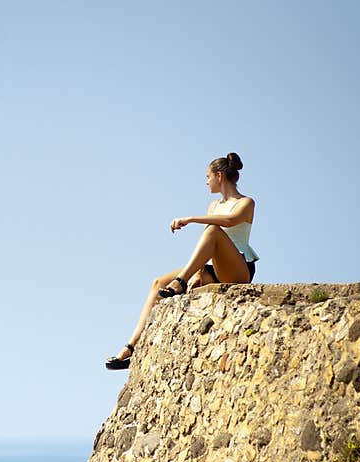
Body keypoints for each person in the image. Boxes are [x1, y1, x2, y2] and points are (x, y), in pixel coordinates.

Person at [105, 152, 259, 370]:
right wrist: (197, 272)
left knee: (214, 230)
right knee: (158, 283)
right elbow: (208, 245)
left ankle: (181, 281)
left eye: (208, 177)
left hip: (239, 269)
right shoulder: (213, 206)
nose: (206, 182)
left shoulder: (246, 202)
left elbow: (230, 221)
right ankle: (131, 347)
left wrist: (191, 219)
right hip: (213, 266)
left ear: (219, 176)